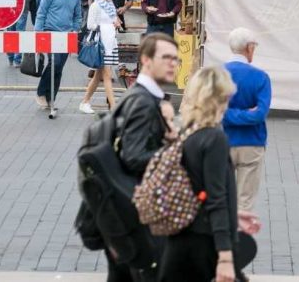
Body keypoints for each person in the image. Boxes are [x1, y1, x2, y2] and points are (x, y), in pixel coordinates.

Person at [163, 65, 261, 282]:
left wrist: (233, 215)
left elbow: (199, 189)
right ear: (219, 98)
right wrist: (225, 257)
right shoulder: (214, 138)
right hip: (205, 244)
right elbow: (215, 199)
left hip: (183, 239)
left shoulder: (188, 132)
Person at [104, 33, 180, 281]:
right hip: (136, 215)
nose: (173, 64)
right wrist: (175, 155)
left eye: (176, 59)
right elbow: (134, 156)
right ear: (146, 60)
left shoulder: (139, 96)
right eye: (166, 57)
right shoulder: (143, 102)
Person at [222, 27, 272, 214]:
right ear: (249, 48)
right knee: (245, 202)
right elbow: (260, 113)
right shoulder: (261, 77)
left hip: (222, 141)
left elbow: (215, 112)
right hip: (252, 142)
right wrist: (247, 114)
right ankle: (241, 238)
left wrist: (227, 114)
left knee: (221, 198)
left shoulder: (217, 74)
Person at [33, 0, 82, 109]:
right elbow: (41, 12)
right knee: (55, 63)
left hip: (67, 35)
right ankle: (41, 92)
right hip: (51, 32)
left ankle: (51, 98)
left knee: (59, 68)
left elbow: (78, 15)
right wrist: (38, 32)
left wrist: (75, 28)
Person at [78, 0, 120, 114]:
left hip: (109, 42)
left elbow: (113, 19)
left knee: (98, 76)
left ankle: (85, 102)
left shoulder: (110, 4)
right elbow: (90, 25)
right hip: (101, 44)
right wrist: (107, 26)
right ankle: (113, 107)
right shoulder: (96, 5)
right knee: (107, 75)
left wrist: (115, 23)